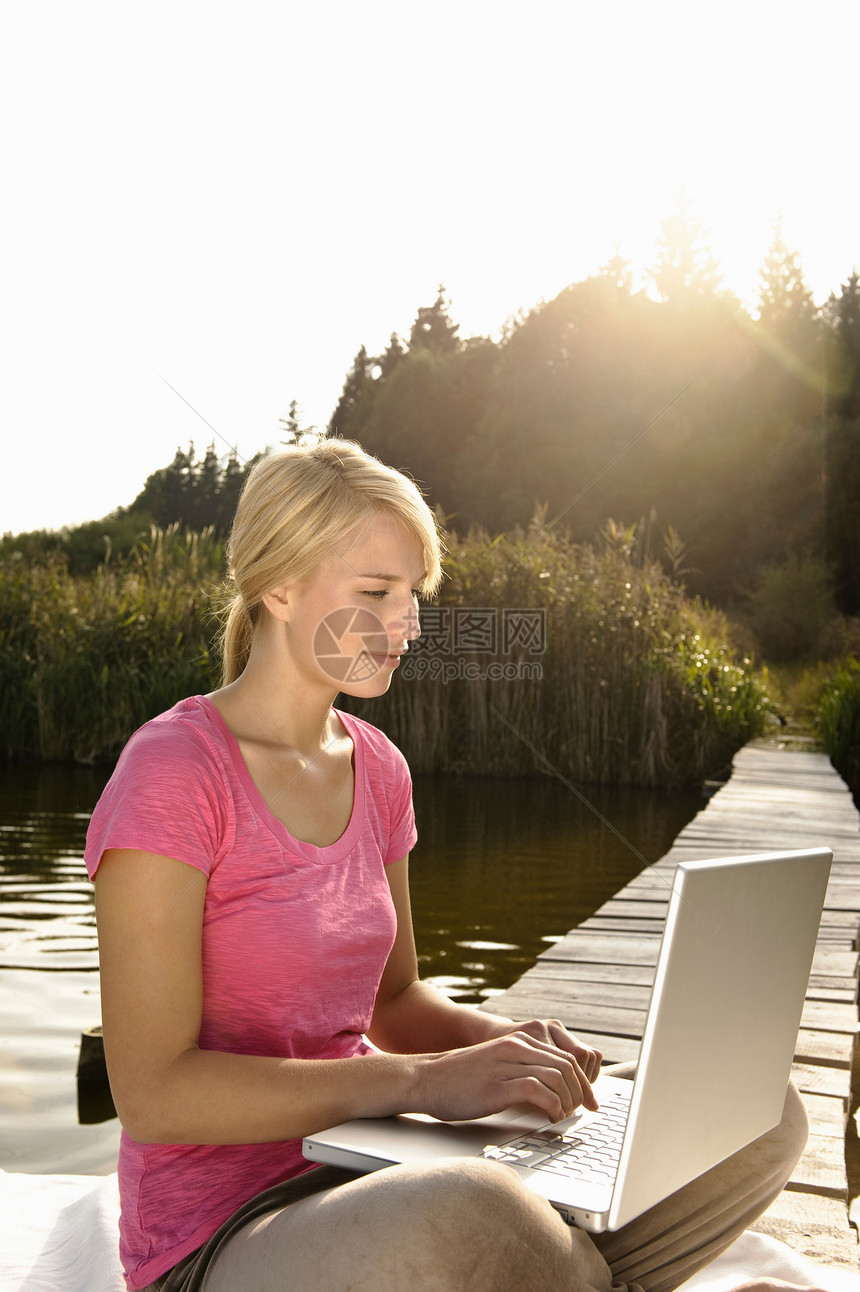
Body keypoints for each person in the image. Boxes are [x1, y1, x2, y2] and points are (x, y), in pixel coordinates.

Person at [87, 437, 815, 1292]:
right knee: (474, 1210)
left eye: (414, 596)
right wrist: (424, 1083)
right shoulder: (174, 773)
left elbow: (395, 1000)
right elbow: (153, 1093)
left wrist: (504, 1048)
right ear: (278, 588)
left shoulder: (380, 767)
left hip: (375, 1166)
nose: (408, 625)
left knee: (754, 1110)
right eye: (377, 593)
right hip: (225, 1232)